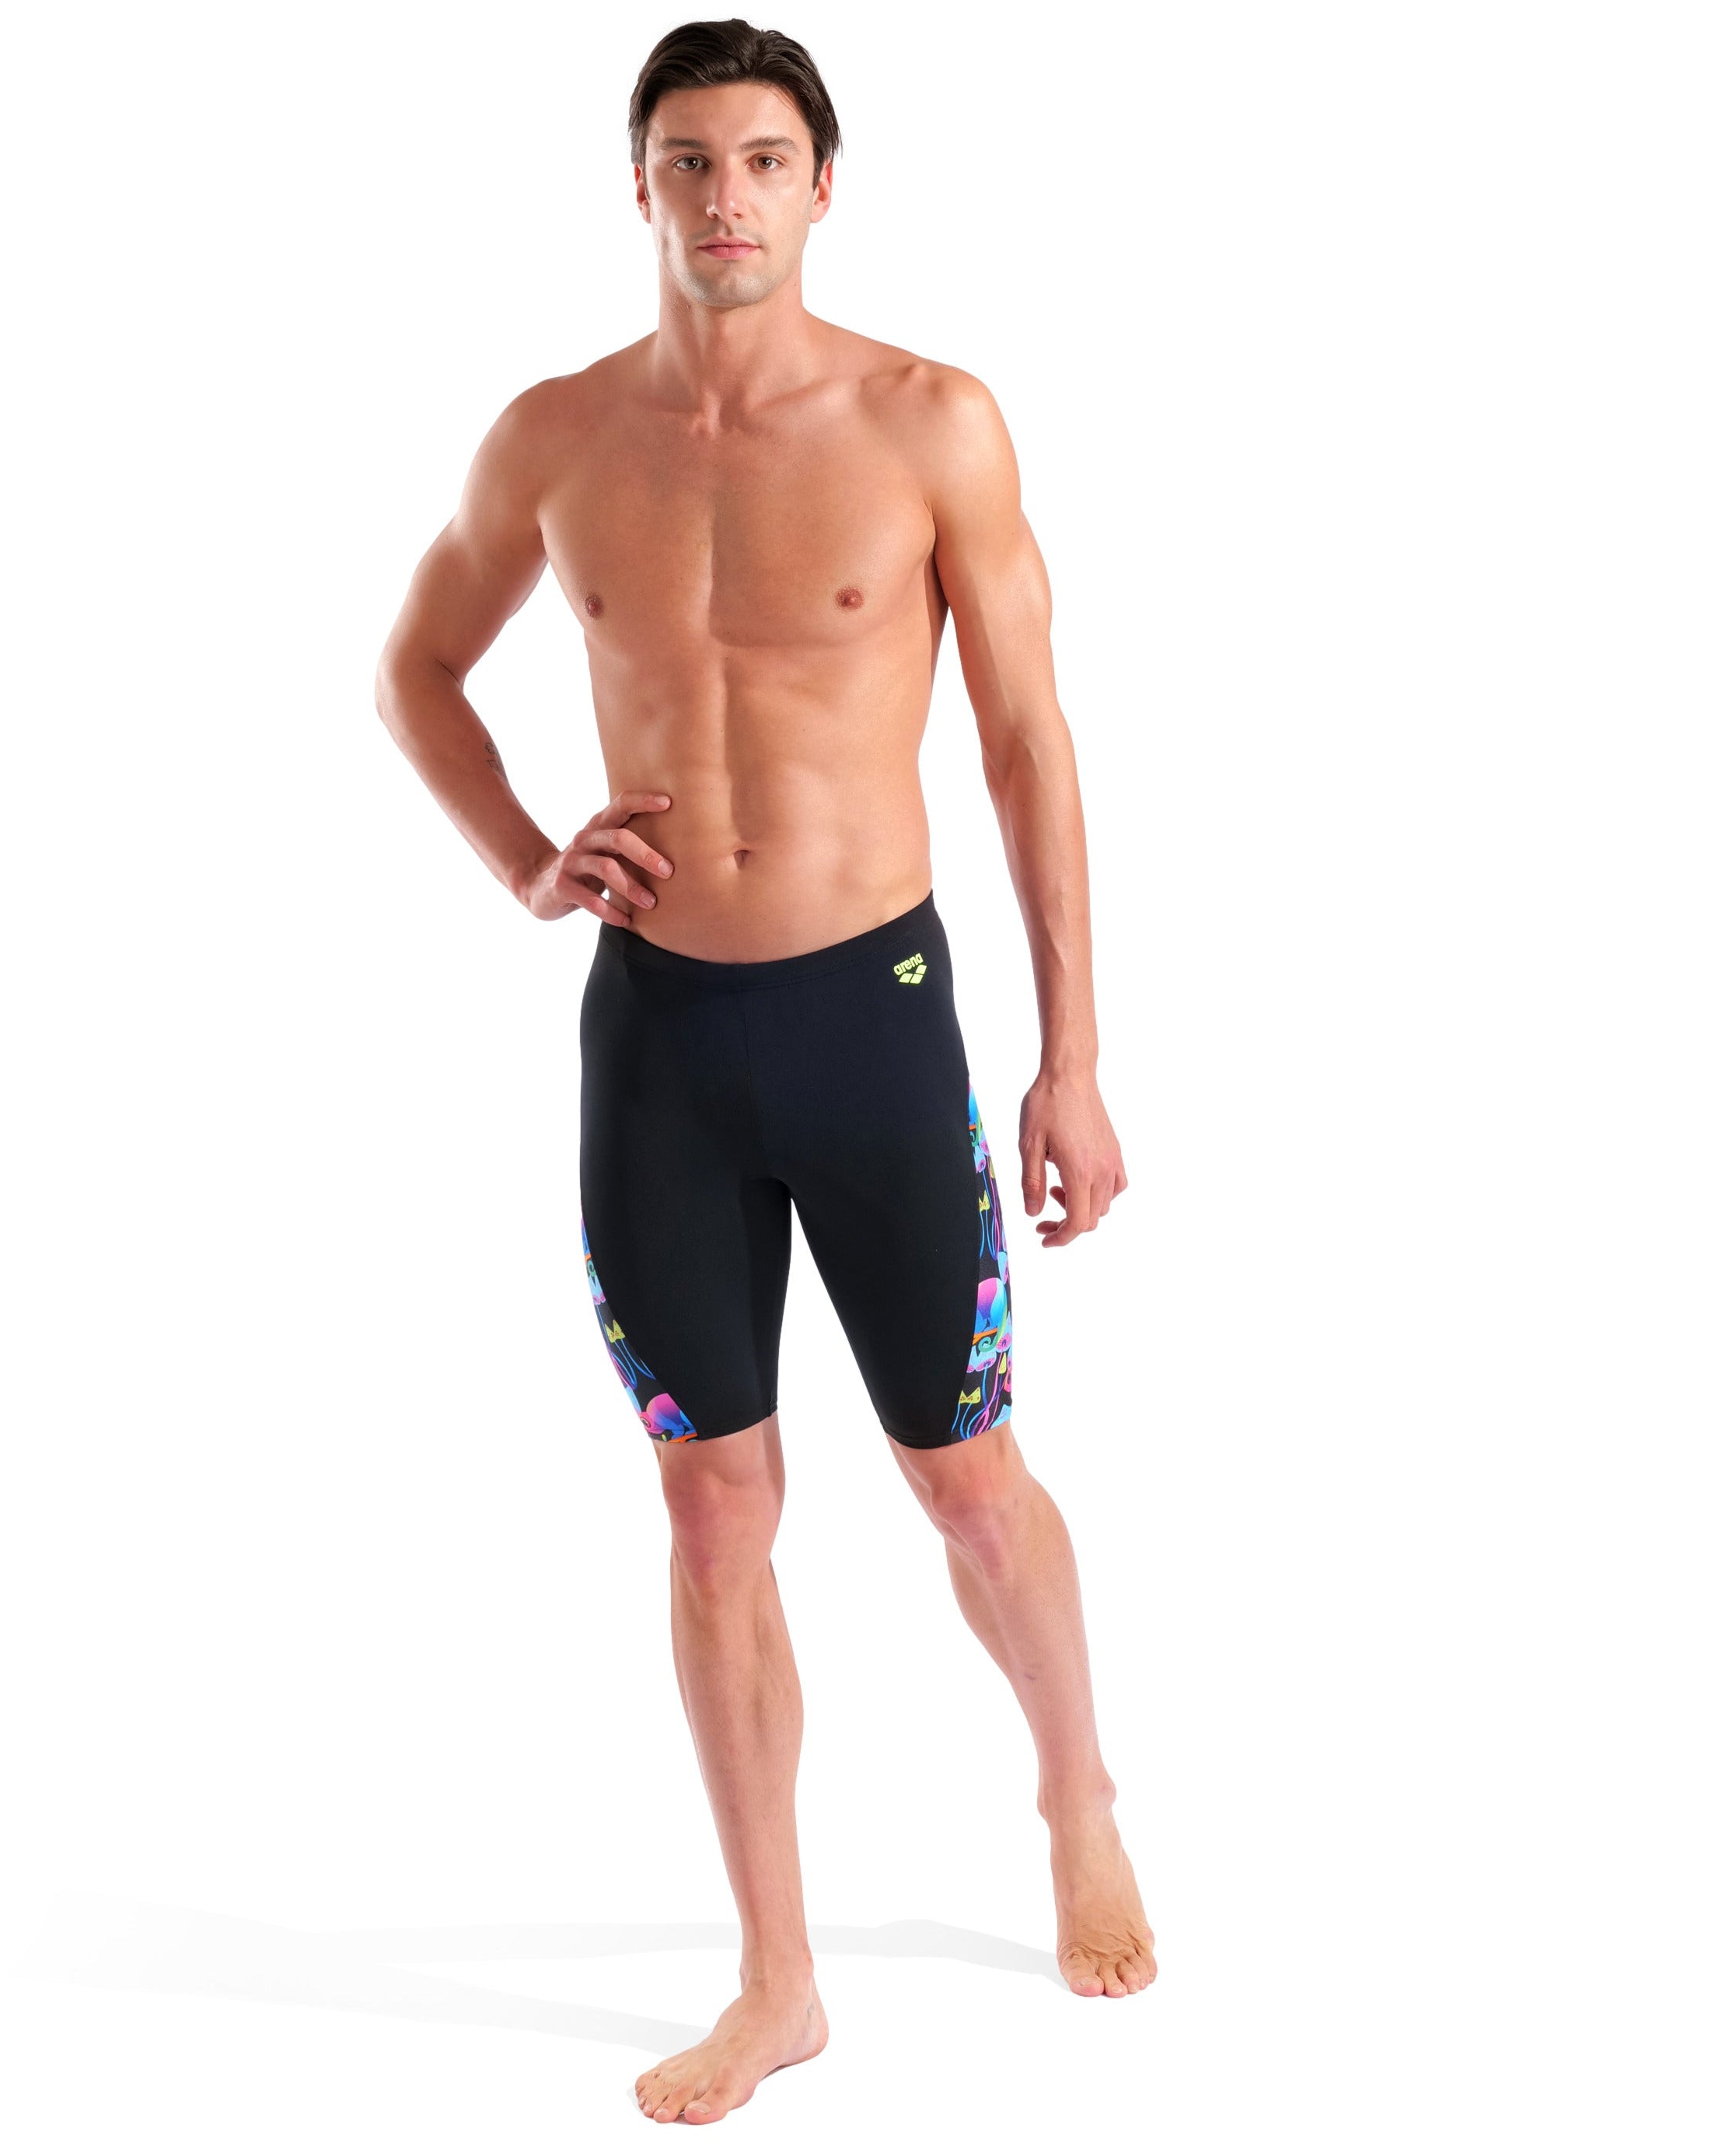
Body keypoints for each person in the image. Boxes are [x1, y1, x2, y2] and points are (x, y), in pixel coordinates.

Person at [375, 18, 1154, 2126]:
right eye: (688, 160)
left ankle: (1075, 1790)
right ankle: (778, 1977)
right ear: (636, 187)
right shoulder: (554, 439)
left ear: (823, 186)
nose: (725, 196)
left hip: (872, 1025)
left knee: (962, 1478)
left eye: (763, 159)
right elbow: (415, 664)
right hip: (658, 1041)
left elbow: (1027, 744)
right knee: (712, 1505)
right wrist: (526, 858)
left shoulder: (928, 424)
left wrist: (1072, 1059)